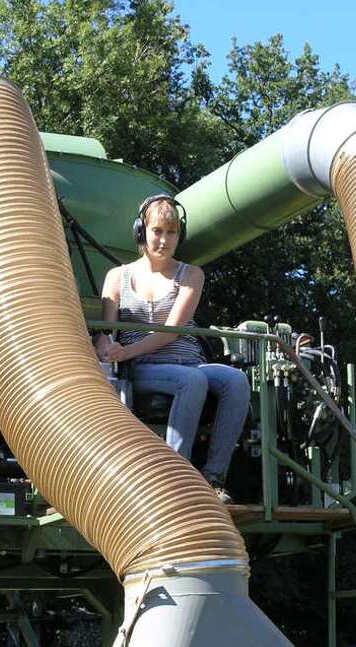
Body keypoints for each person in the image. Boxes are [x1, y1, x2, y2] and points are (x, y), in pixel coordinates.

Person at [95, 194, 250, 504]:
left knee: (236, 380)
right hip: (142, 368)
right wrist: (108, 348)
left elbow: (172, 331)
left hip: (188, 362)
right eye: (157, 231)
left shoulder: (191, 274)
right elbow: (104, 334)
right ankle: (174, 478)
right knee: (192, 381)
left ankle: (214, 477)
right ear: (142, 232)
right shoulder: (117, 277)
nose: (164, 240)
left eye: (172, 232)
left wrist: (124, 350)